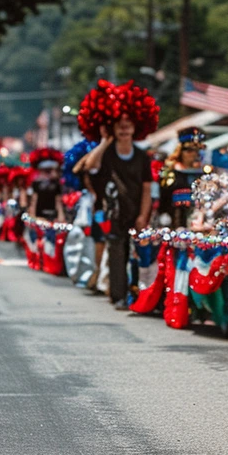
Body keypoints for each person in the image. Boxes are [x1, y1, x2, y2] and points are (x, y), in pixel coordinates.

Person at [78, 81, 158, 308]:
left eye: (128, 125)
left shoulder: (142, 157)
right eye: (119, 125)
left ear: (136, 127)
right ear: (112, 127)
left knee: (139, 254)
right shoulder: (106, 154)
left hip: (135, 211)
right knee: (116, 252)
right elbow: (90, 167)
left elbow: (146, 187)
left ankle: (140, 294)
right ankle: (118, 295)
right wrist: (104, 142)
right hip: (111, 213)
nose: (124, 129)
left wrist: (144, 215)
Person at [157, 127, 207, 229]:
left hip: (199, 222)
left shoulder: (204, 174)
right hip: (175, 222)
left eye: (197, 150)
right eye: (189, 150)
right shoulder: (170, 173)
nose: (194, 154)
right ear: (180, 151)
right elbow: (163, 197)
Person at [26, 149, 66, 222]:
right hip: (39, 217)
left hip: (53, 216)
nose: (51, 173)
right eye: (47, 171)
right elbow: (34, 199)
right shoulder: (36, 183)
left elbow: (58, 200)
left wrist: (61, 216)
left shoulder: (56, 184)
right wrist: (32, 216)